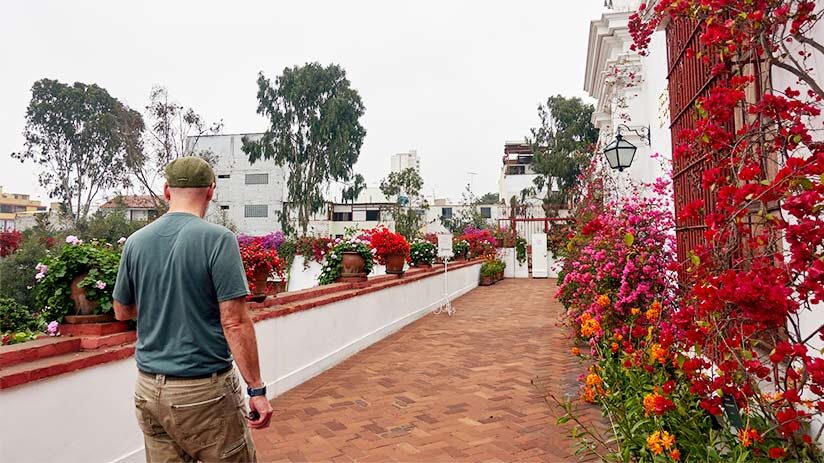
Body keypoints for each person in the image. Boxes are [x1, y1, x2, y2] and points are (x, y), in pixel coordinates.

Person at [113, 156, 273, 462]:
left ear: (166, 191)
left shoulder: (135, 242)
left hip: (148, 390)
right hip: (203, 391)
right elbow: (235, 323)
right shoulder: (218, 240)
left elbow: (122, 311)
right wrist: (256, 390)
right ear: (211, 191)